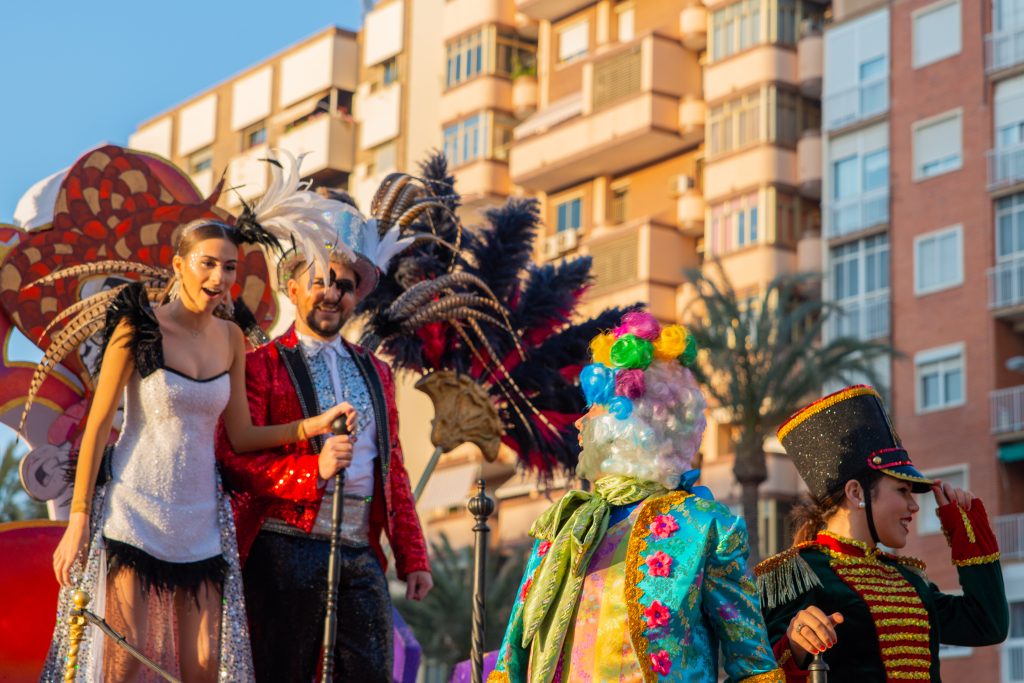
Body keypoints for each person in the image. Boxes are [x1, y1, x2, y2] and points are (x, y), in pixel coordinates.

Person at [34, 146, 353, 682]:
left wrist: (313, 426)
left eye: (229, 268)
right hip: (134, 512)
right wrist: (79, 520)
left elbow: (242, 435)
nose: (220, 277)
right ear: (180, 265)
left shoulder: (231, 338)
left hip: (200, 519)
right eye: (208, 264)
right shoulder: (138, 326)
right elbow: (97, 428)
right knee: (123, 661)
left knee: (204, 667)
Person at [488, 312, 784, 683]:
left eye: (592, 408)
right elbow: (513, 655)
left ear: (632, 422)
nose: (579, 423)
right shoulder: (565, 526)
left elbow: (753, 663)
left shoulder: (703, 526)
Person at [216, 198, 432, 683]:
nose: (332, 294)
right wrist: (310, 471)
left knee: (371, 673)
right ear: (293, 289)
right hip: (285, 547)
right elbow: (231, 460)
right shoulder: (261, 366)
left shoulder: (377, 372)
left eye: (344, 285)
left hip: (360, 549)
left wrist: (412, 556)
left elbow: (392, 467)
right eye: (320, 281)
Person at [756, 385, 1009, 681]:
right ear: (856, 492)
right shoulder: (797, 576)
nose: (914, 506)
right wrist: (795, 647)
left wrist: (968, 534)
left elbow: (987, 624)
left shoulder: (910, 580)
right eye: (902, 490)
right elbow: (755, 672)